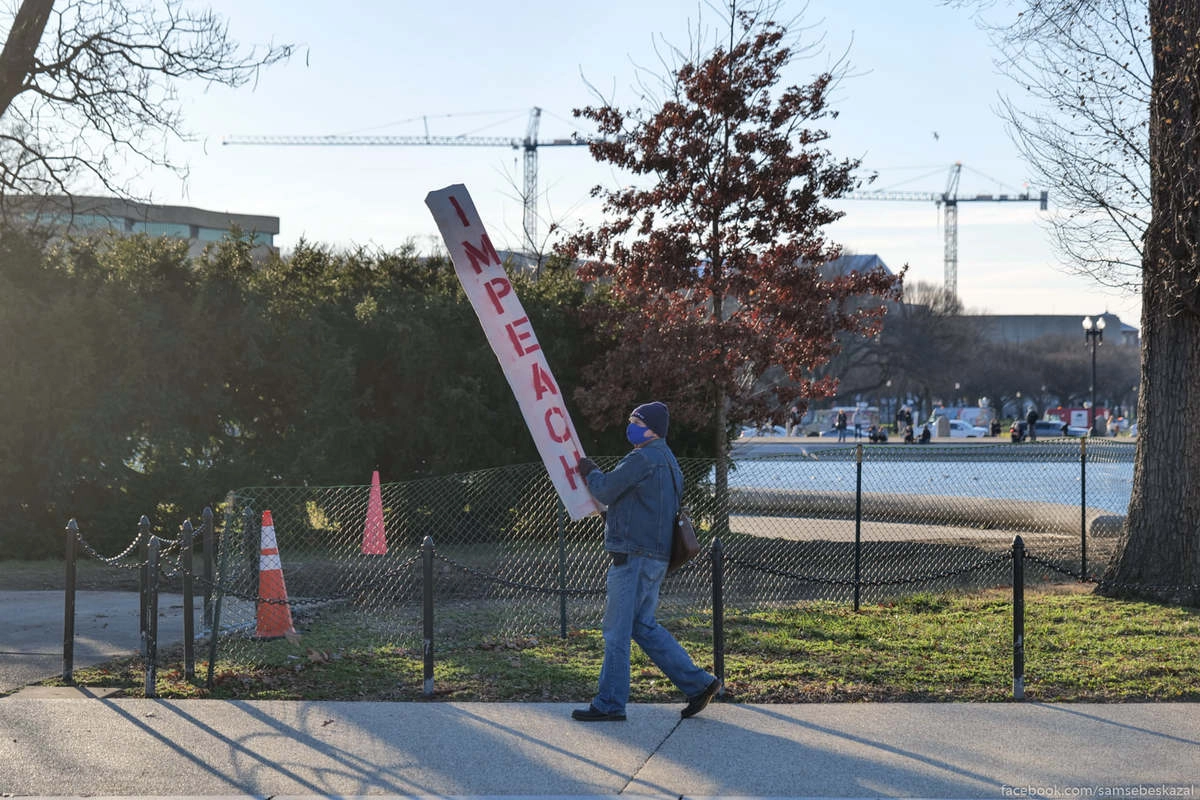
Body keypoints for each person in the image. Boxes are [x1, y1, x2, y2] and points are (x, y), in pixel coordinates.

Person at [573, 401, 720, 722]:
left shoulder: (642, 458)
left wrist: (590, 471)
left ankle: (610, 703)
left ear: (652, 428)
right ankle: (699, 684)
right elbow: (645, 507)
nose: (630, 425)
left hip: (633, 558)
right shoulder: (670, 462)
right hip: (656, 557)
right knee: (643, 625)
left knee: (616, 632)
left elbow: (608, 490)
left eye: (635, 420)